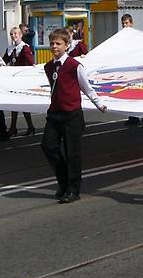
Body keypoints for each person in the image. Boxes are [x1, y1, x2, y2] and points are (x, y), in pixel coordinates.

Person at [41, 28, 107, 204]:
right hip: (55, 114)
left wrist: (98, 103)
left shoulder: (74, 66)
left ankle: (73, 189)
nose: (54, 47)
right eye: (52, 44)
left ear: (67, 46)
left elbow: (86, 87)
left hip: (72, 115)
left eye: (58, 44)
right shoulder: (49, 67)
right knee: (48, 146)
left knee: (72, 153)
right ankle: (63, 181)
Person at [3, 27, 36, 136]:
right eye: (12, 34)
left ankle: (24, 127)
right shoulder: (10, 48)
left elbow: (30, 61)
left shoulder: (24, 47)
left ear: (20, 35)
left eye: (16, 34)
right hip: (13, 79)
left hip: (22, 80)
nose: (13, 36)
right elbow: (4, 61)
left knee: (21, 103)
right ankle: (17, 127)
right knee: (15, 103)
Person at [120, 14, 143, 126]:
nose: (125, 25)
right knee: (130, 92)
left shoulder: (136, 36)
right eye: (123, 23)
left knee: (138, 91)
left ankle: (142, 115)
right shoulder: (121, 37)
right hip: (128, 69)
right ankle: (133, 117)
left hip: (137, 68)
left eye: (127, 23)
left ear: (131, 23)